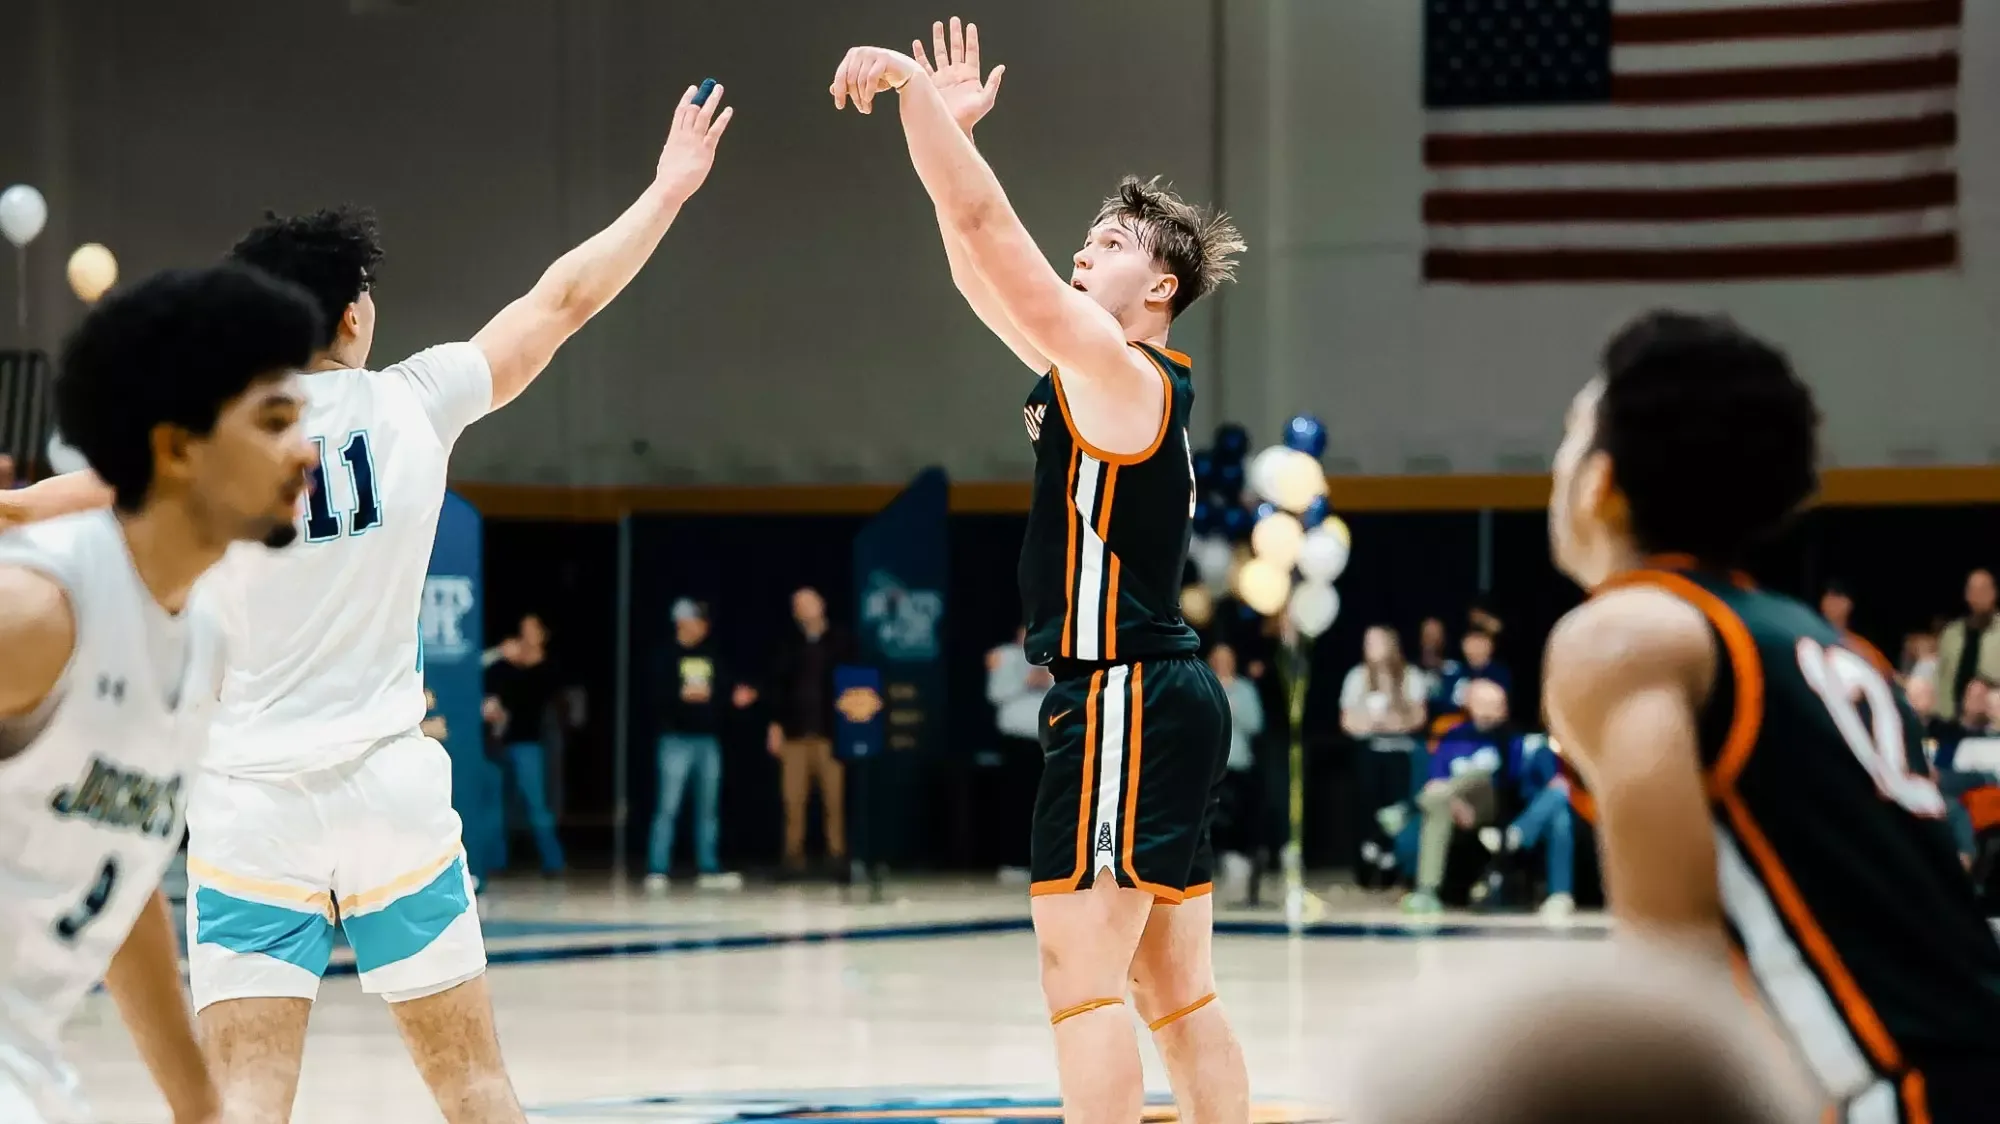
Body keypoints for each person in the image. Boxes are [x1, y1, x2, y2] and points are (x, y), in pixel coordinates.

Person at [8, 85, 734, 1123]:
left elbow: (45, 504)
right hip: (391, 790)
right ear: (352, 314)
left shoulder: (212, 449)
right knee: (472, 1084)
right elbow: (561, 301)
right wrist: (667, 192)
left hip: (246, 802)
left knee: (245, 1096)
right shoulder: (413, 400)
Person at [830, 19, 1249, 1124]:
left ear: (1159, 285)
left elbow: (986, 225)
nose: (1082, 252)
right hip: (1160, 694)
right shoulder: (1102, 373)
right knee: (1175, 992)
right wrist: (952, 140)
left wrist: (918, 98)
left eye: (1108, 243)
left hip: (1122, 694)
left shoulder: (1121, 371)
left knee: (1080, 980)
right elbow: (983, 278)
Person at [1541, 309, 2000, 1121]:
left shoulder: (1624, 637)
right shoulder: (1829, 644)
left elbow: (1670, 985)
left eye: (1570, 436)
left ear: (1601, 485)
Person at [0, 265, 320, 1122]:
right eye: (275, 422)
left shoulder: (199, 631)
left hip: (28, 1062)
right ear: (177, 449)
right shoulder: (38, 611)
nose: (306, 453)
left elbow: (115, 870)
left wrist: (200, 1106)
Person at [645, 598, 754, 891]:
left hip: (708, 741)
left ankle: (708, 867)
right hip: (675, 740)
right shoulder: (665, 656)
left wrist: (736, 697)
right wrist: (680, 696)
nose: (703, 627)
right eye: (697, 621)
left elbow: (723, 690)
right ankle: (657, 868)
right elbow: (656, 696)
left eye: (704, 622)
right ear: (682, 622)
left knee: (708, 808)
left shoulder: (711, 655)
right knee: (667, 806)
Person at [767, 587, 852, 879]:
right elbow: (778, 687)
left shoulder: (842, 641)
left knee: (834, 801)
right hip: (795, 735)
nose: (803, 610)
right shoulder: (788, 645)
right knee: (793, 801)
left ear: (822, 605)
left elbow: (856, 685)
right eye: (797, 606)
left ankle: (837, 857)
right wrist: (775, 726)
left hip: (830, 735)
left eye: (808, 604)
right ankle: (793, 860)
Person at [1341, 625, 1429, 888]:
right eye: (1367, 642)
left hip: (1401, 754)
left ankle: (1398, 866)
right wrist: (1370, 725)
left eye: (1376, 642)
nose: (1369, 647)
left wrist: (1395, 723)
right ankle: (1368, 868)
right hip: (1369, 751)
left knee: (1399, 811)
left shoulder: (1411, 676)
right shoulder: (1356, 676)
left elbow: (1419, 717)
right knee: (1367, 811)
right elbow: (1346, 721)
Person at [484, 614, 567, 876]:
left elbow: (534, 695)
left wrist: (519, 663)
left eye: (530, 630)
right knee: (497, 805)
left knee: (536, 805)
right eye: (522, 630)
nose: (524, 636)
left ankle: (553, 861)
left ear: (542, 635)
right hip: (499, 742)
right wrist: (500, 654)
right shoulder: (504, 665)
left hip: (528, 743)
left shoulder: (547, 668)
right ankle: (496, 861)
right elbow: (481, 671)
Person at [986, 626, 1054, 880]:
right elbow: (995, 693)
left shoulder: (1058, 657)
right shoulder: (1004, 656)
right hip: (1016, 742)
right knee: (1016, 802)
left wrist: (1047, 680)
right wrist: (1025, 682)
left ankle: (1046, 864)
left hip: (1049, 741)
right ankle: (1013, 862)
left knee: (1048, 805)